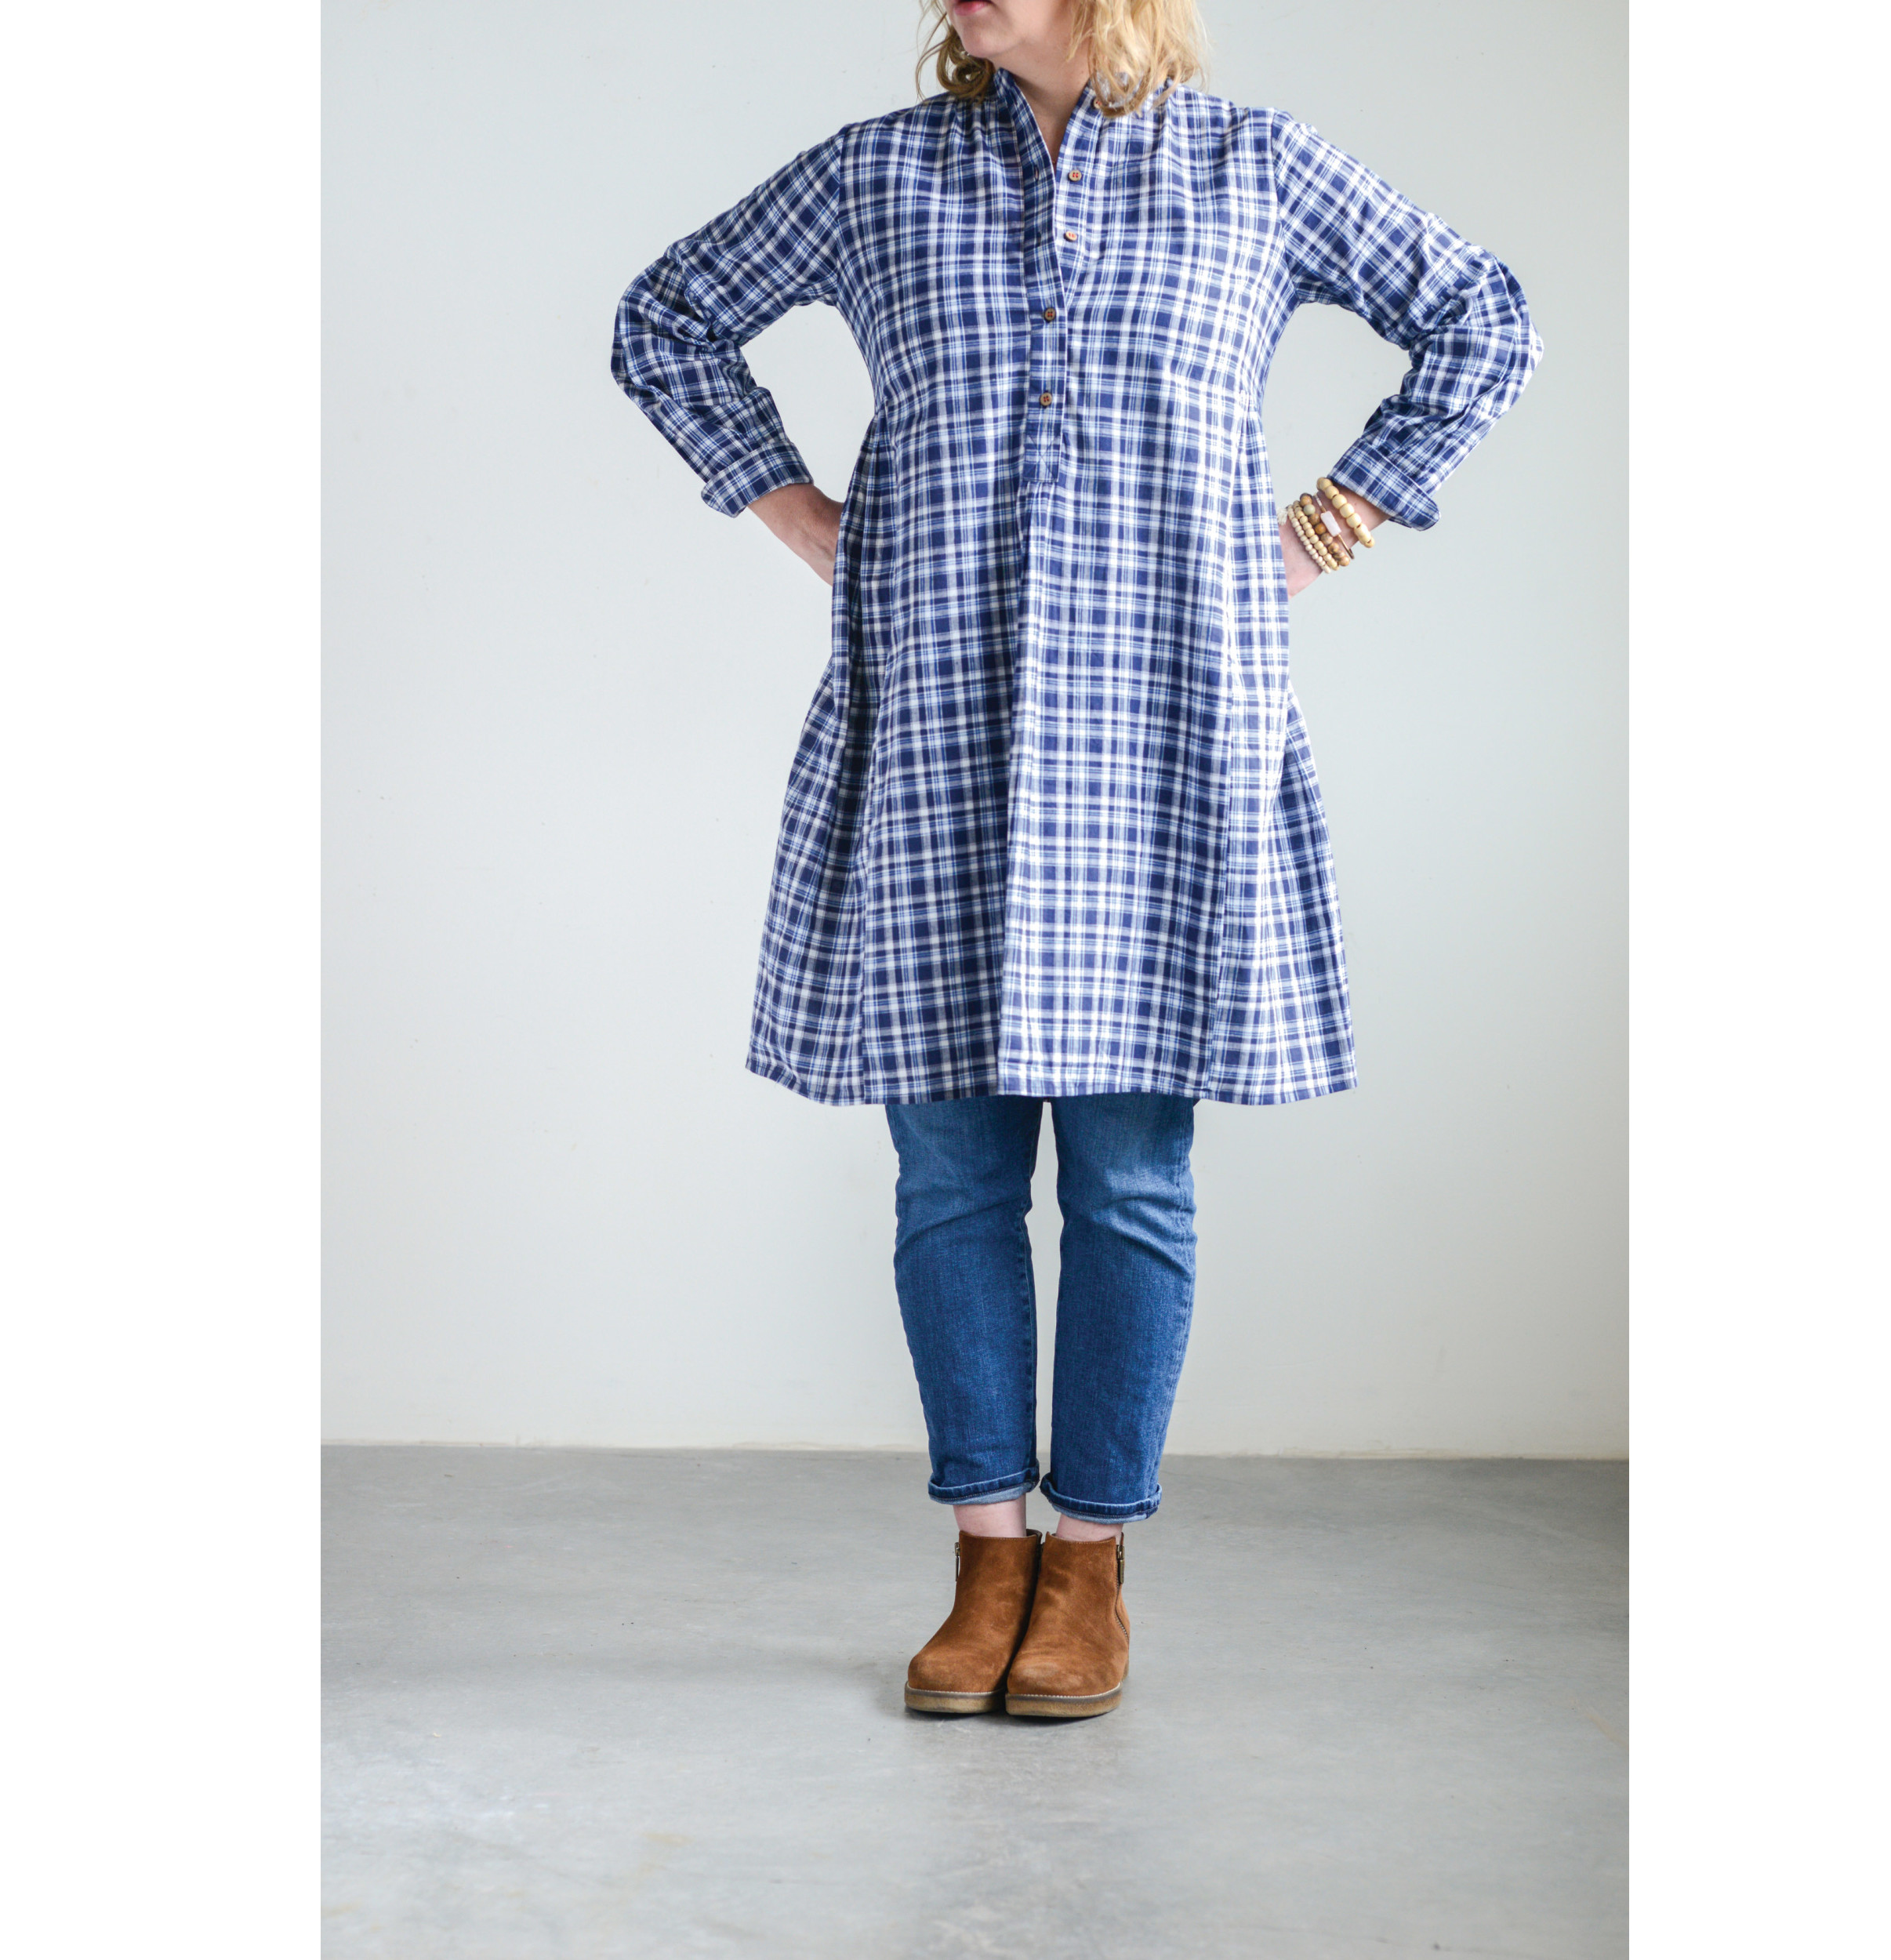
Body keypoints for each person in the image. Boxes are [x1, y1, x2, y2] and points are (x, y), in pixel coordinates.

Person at [611, 0, 1539, 1721]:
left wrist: (1325, 523)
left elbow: (1483, 315)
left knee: (1127, 1179)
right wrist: (803, 516)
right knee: (950, 1178)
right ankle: (986, 1558)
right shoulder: (879, 175)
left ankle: (1090, 1561)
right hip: (938, 719)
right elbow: (665, 316)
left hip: (1162, 731)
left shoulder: (1255, 170)